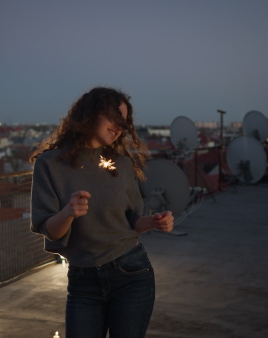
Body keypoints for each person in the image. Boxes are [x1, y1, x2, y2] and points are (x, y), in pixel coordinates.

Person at [29, 86, 174, 338]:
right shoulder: (50, 164)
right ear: (91, 114)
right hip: (82, 280)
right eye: (115, 118)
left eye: (124, 122)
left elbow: (132, 224)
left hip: (132, 273)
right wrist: (68, 213)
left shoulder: (123, 164)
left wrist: (154, 221)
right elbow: (50, 231)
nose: (120, 127)